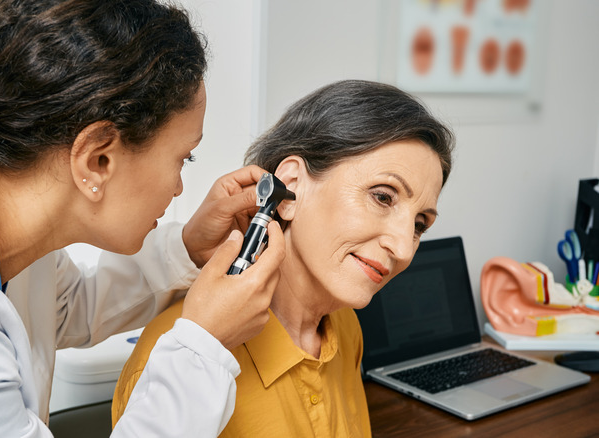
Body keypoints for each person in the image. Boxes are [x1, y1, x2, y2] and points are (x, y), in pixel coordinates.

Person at [0, 1, 285, 436]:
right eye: (185, 158)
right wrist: (203, 346)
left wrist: (186, 247)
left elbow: (65, 307)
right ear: (97, 160)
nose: (180, 186)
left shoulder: (0, 237)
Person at [112, 79, 455, 437]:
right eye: (383, 197)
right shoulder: (178, 356)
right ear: (291, 187)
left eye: (419, 224)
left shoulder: (345, 327)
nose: (403, 248)